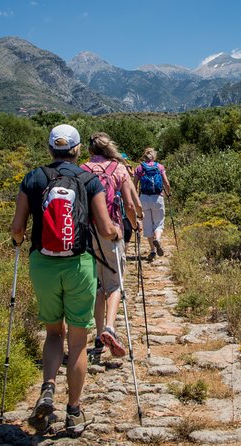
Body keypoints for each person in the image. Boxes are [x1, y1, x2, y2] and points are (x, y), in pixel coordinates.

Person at [10, 124, 122, 434]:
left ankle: (47, 387)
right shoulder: (88, 180)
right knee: (78, 341)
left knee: (53, 333)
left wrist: (18, 241)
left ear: (50, 149)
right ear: (76, 151)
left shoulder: (32, 178)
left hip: (43, 265)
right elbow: (104, 228)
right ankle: (74, 412)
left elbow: (17, 228)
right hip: (78, 265)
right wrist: (117, 231)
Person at [82, 133, 140, 360]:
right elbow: (128, 204)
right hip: (111, 231)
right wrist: (134, 225)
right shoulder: (118, 169)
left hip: (86, 233)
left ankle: (98, 337)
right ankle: (109, 328)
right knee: (114, 285)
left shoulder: (82, 169)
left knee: (96, 285)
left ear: (90, 150)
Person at [133, 147, 171, 262]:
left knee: (147, 224)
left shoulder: (139, 168)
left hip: (144, 198)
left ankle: (153, 250)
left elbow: (134, 184)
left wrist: (135, 199)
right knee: (159, 222)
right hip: (157, 197)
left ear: (144, 156)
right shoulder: (159, 167)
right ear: (154, 156)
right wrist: (169, 194)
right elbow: (166, 183)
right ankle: (158, 239)